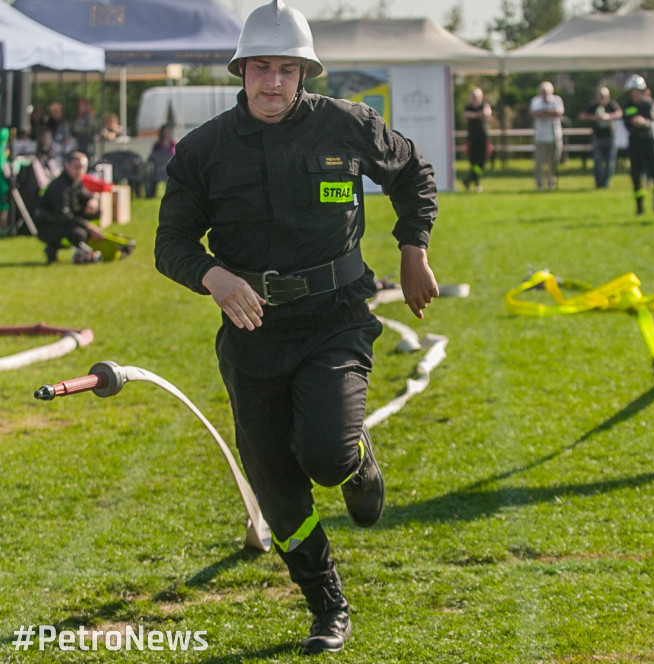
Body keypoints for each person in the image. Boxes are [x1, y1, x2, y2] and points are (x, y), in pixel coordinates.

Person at [154, 0, 439, 655]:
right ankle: (327, 606)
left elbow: (412, 174)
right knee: (279, 492)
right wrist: (212, 276)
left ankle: (358, 461)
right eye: (261, 68)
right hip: (251, 338)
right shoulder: (203, 151)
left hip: (333, 320)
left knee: (325, 454)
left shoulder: (348, 126)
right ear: (241, 71)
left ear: (305, 72)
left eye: (287, 68)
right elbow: (170, 240)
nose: (273, 82)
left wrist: (413, 247)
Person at [35, 151, 105, 264]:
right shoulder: (60, 186)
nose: (80, 171)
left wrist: (93, 201)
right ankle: (54, 248)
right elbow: (63, 215)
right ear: (67, 166)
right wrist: (87, 226)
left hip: (63, 220)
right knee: (79, 233)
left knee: (95, 212)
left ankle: (83, 244)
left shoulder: (75, 182)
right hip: (48, 224)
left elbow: (86, 196)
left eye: (83, 168)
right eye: (76, 167)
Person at [622, 75, 654, 215]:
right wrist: (634, 123)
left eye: (638, 90)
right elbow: (627, 123)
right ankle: (640, 207)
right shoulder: (627, 107)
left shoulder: (648, 104)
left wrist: (644, 122)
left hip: (650, 142)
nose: (636, 94)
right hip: (635, 142)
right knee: (636, 176)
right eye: (633, 91)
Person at [578, 86, 622, 188]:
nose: (602, 99)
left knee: (610, 162)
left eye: (604, 96)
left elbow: (620, 113)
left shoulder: (611, 105)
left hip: (610, 136)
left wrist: (609, 116)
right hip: (597, 137)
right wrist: (595, 117)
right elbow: (582, 116)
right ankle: (598, 184)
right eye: (600, 96)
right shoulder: (593, 106)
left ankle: (606, 183)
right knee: (597, 161)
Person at [529, 81, 564, 191]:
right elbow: (534, 113)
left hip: (555, 136)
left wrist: (545, 112)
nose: (544, 94)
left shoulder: (556, 100)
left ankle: (551, 184)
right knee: (539, 163)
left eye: (546, 92)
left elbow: (559, 112)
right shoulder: (535, 101)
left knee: (553, 162)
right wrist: (549, 112)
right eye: (542, 92)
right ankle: (540, 185)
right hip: (540, 137)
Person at [461, 87, 491, 193]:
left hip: (483, 139)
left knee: (481, 163)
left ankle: (468, 180)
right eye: (473, 97)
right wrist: (479, 115)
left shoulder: (484, 105)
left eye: (476, 97)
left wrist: (474, 115)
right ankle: (477, 183)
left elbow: (487, 113)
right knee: (474, 163)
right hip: (472, 139)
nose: (474, 99)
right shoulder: (468, 107)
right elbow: (465, 116)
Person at [145, 124, 176, 198]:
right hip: (157, 170)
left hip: (170, 170)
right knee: (148, 175)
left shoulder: (174, 144)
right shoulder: (157, 145)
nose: (166, 134)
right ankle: (150, 194)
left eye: (168, 132)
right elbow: (151, 159)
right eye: (165, 132)